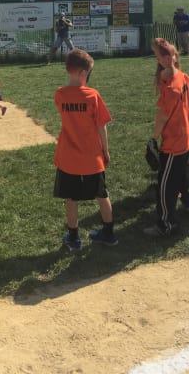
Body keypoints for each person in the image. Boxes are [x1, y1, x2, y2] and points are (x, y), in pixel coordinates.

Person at [53, 49, 117, 251]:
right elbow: (102, 126)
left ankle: (73, 237)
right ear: (82, 73)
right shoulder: (92, 96)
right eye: (88, 73)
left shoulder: (60, 94)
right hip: (91, 156)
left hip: (68, 156)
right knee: (101, 194)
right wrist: (105, 150)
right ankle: (109, 233)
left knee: (71, 197)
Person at [144, 38, 189, 237]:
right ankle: (188, 201)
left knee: (165, 185)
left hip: (174, 141)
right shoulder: (179, 76)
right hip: (186, 137)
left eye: (158, 56)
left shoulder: (171, 87)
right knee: (180, 176)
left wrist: (153, 138)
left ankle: (167, 223)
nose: (156, 60)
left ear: (168, 57)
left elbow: (163, 116)